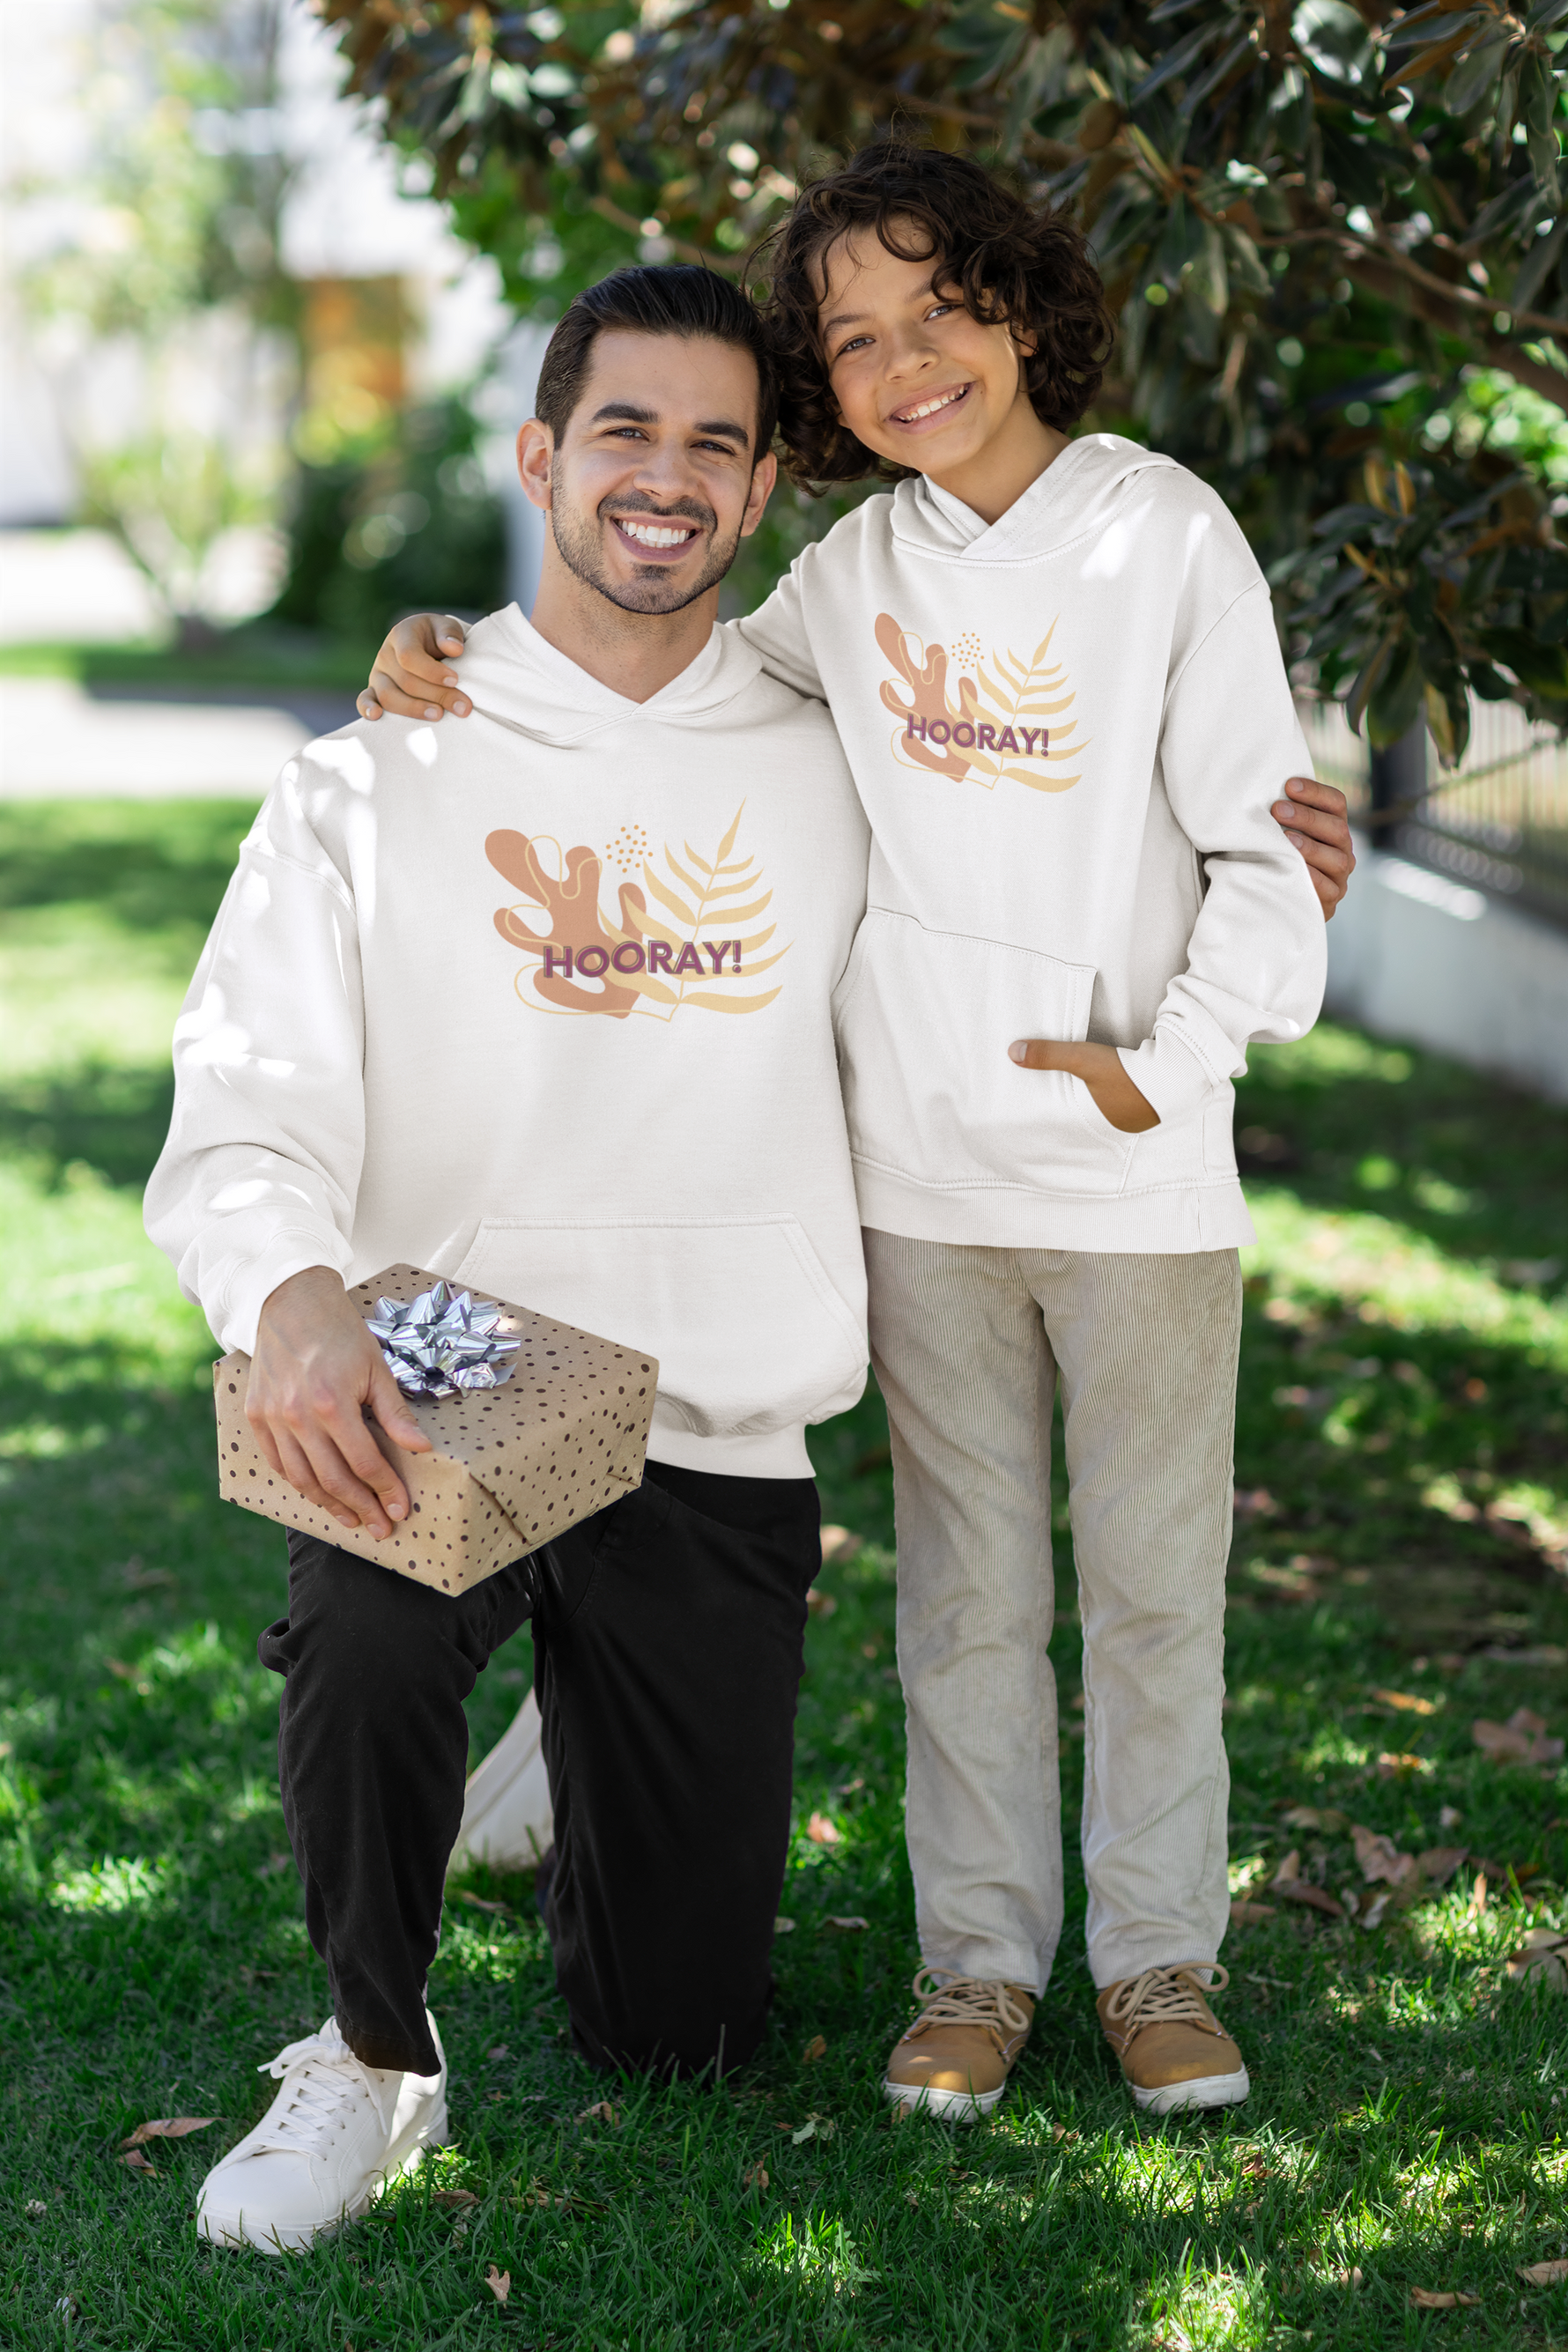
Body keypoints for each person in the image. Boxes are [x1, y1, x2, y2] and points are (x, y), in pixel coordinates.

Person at [361, 145, 1358, 2131]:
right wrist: (450, 652)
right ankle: (977, 1966)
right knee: (967, 1595)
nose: (905, 366)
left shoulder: (1159, 537)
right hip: (914, 1184)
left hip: (1138, 1180)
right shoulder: (859, 572)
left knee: (1153, 1593)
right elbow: (663, 680)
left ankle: (1158, 1960)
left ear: (1018, 304)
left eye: (938, 313)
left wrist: (1154, 1064)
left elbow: (1269, 855)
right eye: (853, 341)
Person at [144, 265, 874, 2255]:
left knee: (679, 2035)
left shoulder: (834, 755)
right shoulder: (376, 771)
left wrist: (1248, 860)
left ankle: (565, 1739)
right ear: (542, 455)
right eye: (621, 430)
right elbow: (247, 1089)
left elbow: (1032, 856)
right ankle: (371, 2061)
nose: (665, 476)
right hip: (460, 1357)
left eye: (714, 443)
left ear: (762, 489)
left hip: (715, 1402)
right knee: (376, 1622)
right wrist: (290, 1297)